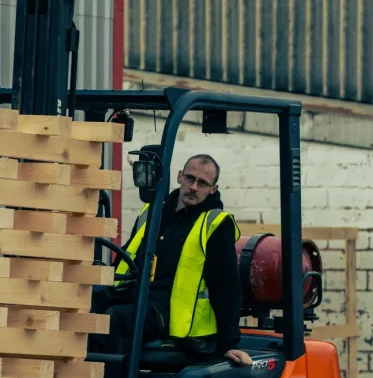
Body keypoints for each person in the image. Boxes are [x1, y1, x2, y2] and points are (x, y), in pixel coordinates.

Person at [90, 153, 252, 367]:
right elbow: (128, 255)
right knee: (85, 303)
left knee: (115, 319)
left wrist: (230, 342)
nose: (194, 187)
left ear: (213, 189)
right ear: (179, 177)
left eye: (202, 183)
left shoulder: (216, 224)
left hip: (169, 311)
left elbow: (226, 286)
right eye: (190, 178)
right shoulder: (154, 211)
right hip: (135, 293)